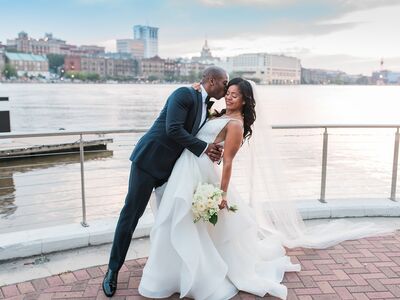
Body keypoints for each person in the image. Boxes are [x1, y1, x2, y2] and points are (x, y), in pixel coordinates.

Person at [138, 78, 301, 300]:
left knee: (188, 223)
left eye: (235, 95)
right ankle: (174, 272)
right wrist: (196, 89)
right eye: (228, 93)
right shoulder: (218, 113)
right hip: (185, 166)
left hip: (200, 172)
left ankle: (199, 274)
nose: (229, 97)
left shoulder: (235, 124)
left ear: (245, 101)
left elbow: (228, 162)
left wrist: (221, 194)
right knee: (173, 218)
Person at [102, 66, 228, 297]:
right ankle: (112, 270)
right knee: (131, 215)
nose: (227, 86)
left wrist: (212, 148)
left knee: (171, 218)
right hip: (149, 162)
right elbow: (173, 130)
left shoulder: (206, 103)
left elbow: (198, 133)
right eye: (224, 82)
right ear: (212, 80)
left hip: (172, 170)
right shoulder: (183, 94)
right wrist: (205, 148)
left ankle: (165, 272)